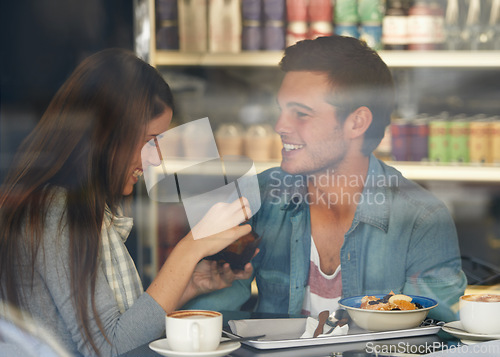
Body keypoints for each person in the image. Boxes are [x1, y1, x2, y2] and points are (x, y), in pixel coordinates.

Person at [184, 35, 467, 322]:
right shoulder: (258, 196)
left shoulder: (423, 219)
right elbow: (207, 318)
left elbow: (435, 338)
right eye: (282, 110)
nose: (280, 126)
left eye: (301, 114)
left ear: (357, 123)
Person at [0, 48, 253, 356]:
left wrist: (191, 285)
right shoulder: (57, 212)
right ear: (107, 134)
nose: (157, 157)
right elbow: (111, 348)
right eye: (150, 140)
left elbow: (121, 327)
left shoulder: (79, 210)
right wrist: (192, 246)